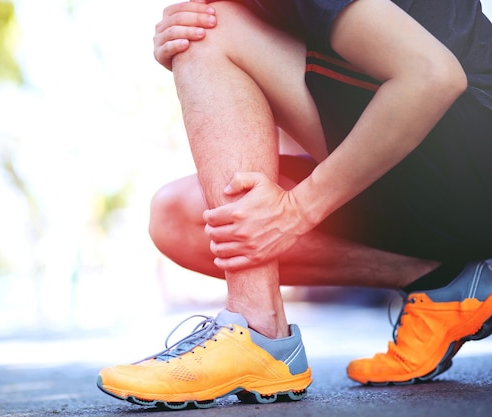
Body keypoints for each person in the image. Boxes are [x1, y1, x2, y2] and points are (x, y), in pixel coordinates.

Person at [96, 0, 492, 409]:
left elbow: (432, 75)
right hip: (445, 185)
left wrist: (297, 211)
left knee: (209, 31)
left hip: (476, 166)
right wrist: (212, 73)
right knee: (180, 217)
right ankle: (447, 283)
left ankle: (258, 331)